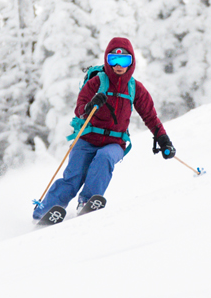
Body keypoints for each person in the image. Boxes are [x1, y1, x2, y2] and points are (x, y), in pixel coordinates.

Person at [32, 36, 175, 224]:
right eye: (113, 59)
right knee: (73, 177)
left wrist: (163, 139)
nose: (118, 65)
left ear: (131, 62)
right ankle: (46, 210)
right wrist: (91, 106)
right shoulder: (97, 82)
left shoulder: (135, 88)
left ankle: (87, 201)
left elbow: (150, 116)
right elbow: (80, 108)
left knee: (104, 158)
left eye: (124, 60)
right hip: (87, 139)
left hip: (115, 143)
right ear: (107, 60)